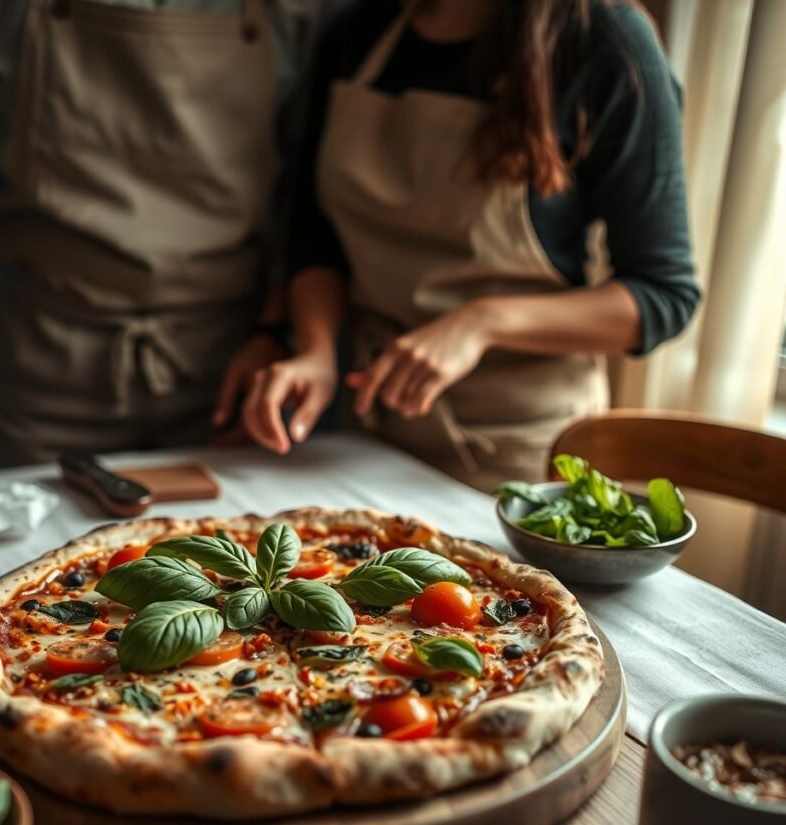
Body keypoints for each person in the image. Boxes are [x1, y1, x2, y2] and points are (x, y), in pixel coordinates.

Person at [0, 0, 344, 468]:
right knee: (44, 585)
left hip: (233, 368)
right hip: (47, 363)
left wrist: (276, 331)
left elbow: (305, 186)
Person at [240, 0, 701, 490]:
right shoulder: (358, 31)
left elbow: (663, 295)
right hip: (369, 435)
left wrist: (481, 323)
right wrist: (315, 350)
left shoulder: (606, 41)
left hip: (519, 452)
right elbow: (315, 235)